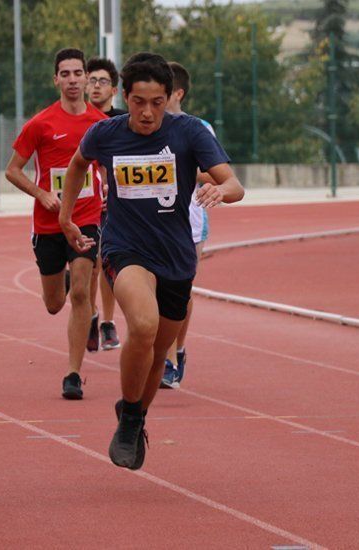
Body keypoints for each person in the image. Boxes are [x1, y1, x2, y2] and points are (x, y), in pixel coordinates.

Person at [59, 52, 244, 469]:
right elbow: (76, 166)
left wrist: (221, 191)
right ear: (126, 96)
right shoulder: (105, 134)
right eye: (139, 102)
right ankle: (128, 421)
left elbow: (233, 183)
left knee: (159, 353)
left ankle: (136, 413)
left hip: (175, 255)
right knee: (143, 324)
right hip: (126, 249)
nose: (146, 112)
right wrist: (66, 217)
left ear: (168, 99)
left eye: (156, 103)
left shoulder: (190, 133)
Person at [5, 48, 107, 400]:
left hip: (87, 217)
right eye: (66, 74)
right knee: (53, 304)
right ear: (56, 80)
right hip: (48, 223)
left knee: (82, 293)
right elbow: (12, 170)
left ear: (87, 79)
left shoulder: (99, 124)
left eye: (79, 73)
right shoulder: (40, 124)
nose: (74, 80)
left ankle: (73, 374)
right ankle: (60, 280)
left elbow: (107, 166)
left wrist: (106, 186)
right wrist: (41, 194)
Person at [160, 61, 216, 389]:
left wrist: (183, 170)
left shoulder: (199, 128)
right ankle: (164, 358)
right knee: (155, 290)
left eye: (163, 91)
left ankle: (177, 350)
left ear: (177, 93)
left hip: (191, 222)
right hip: (153, 222)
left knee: (181, 291)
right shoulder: (146, 126)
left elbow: (216, 172)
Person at [86, 57, 126, 350]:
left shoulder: (122, 122)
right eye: (92, 80)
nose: (95, 86)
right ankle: (89, 313)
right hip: (82, 205)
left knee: (105, 261)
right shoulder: (76, 118)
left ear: (114, 89)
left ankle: (107, 322)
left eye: (102, 81)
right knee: (87, 266)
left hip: (115, 205)